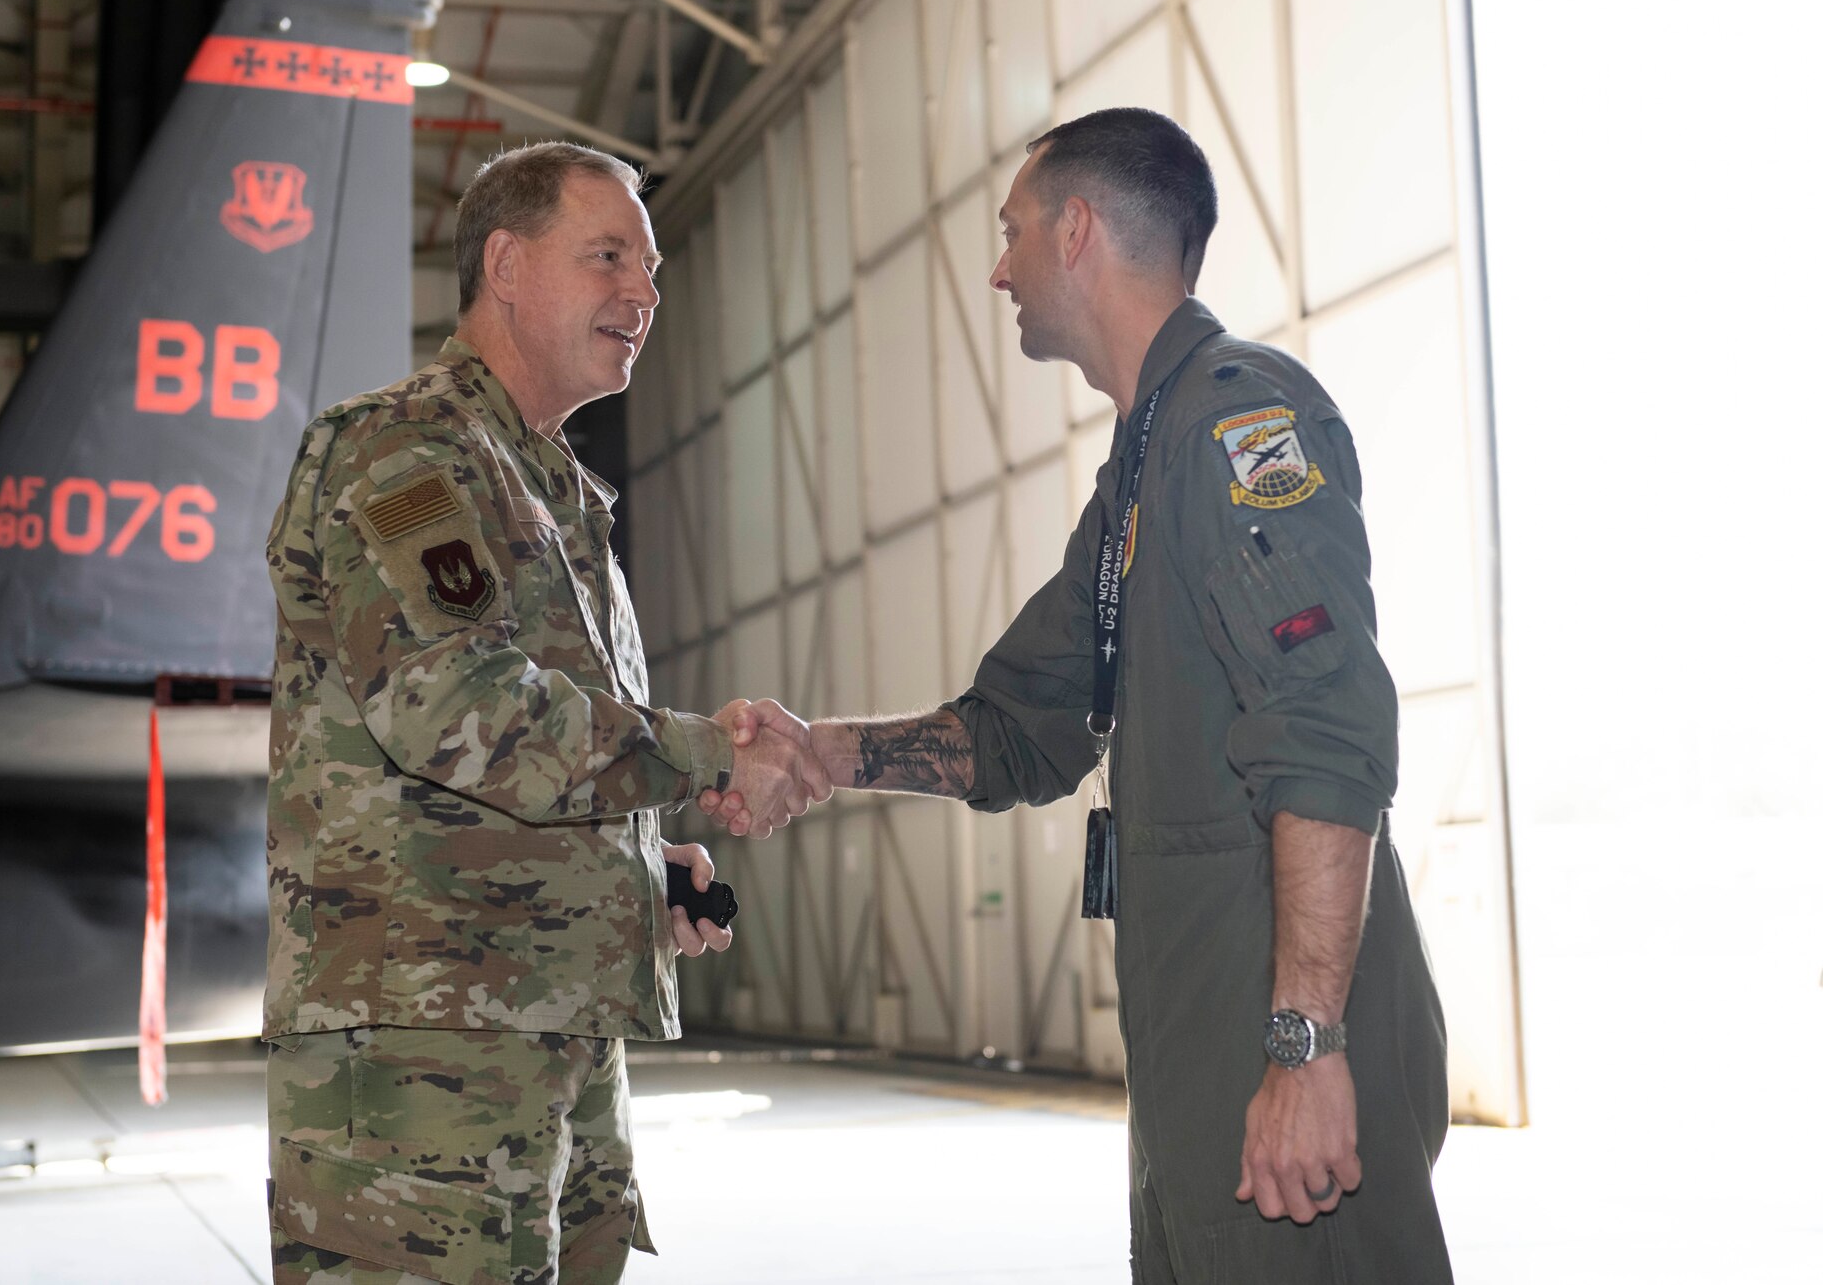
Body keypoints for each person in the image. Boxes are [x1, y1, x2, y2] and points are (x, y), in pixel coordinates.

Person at [706, 108, 1453, 1282]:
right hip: (1199, 1026)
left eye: (1010, 233)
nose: (996, 270)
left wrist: (1304, 1044)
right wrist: (817, 751)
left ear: (1077, 231)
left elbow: (1326, 731)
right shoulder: (1139, 473)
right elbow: (1018, 729)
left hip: (1278, 1018)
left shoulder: (1235, 420)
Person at [262, 141, 831, 1285]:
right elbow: (461, 713)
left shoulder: (551, 487)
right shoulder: (405, 450)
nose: (643, 293)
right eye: (608, 256)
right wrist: (707, 749)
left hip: (543, 1029)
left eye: (653, 270)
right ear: (506, 264)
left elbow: (514, 767)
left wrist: (636, 863)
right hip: (429, 1050)